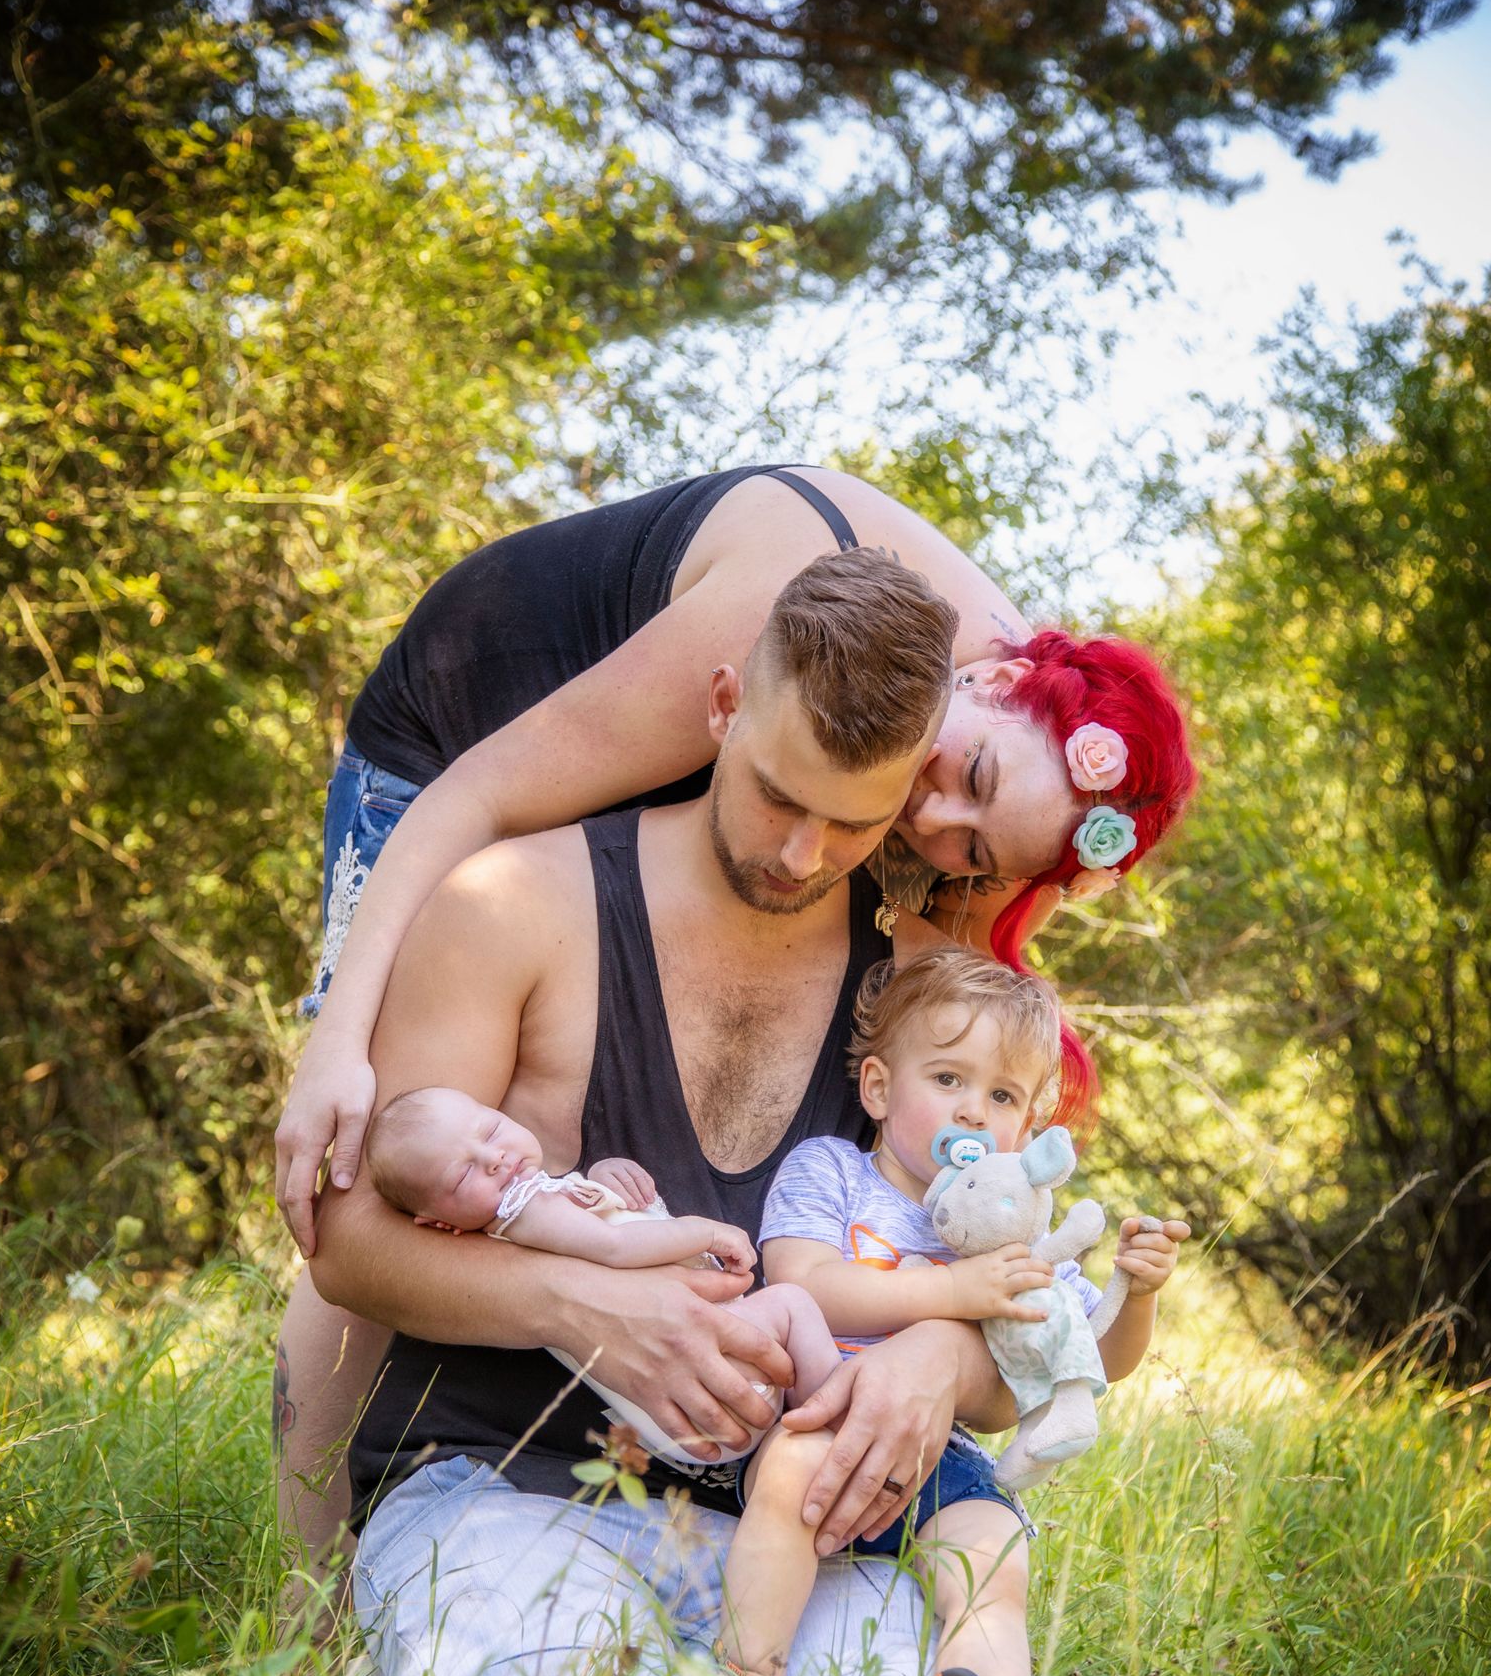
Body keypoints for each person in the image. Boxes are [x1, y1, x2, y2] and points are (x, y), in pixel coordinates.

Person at [273, 463, 1197, 1587]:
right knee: (410, 1155)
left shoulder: (960, 772)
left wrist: (942, 1347)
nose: (933, 814)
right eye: (967, 772)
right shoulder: (786, 619)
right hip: (456, 747)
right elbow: (475, 797)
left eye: (972, 848)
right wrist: (337, 1039)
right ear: (994, 674)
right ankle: (310, 1600)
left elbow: (945, 1099)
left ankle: (652, 1500)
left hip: (726, 780)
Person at [311, 549, 1041, 1676]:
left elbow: (1017, 1317)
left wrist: (939, 1355)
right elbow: (343, 1246)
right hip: (505, 1496)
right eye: (774, 794)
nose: (804, 852)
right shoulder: (513, 905)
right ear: (721, 709)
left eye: (854, 819)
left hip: (807, 1545)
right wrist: (579, 1305)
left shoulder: (925, 1000)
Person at [714, 949, 1189, 1676]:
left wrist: (1136, 1292)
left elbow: (1091, 1360)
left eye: (1001, 1096)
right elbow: (805, 1283)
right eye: (947, 1079)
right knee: (789, 1480)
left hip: (948, 1457)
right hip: (824, 1420)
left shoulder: (1021, 1238)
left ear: (1026, 1131)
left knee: (997, 1554)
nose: (973, 1112)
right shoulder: (833, 1172)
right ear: (878, 1089)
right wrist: (954, 1289)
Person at [363, 1081, 841, 1466]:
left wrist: (604, 1181)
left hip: (686, 1412)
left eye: (490, 1131)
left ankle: (800, 1452)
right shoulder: (523, 1210)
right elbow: (617, 1246)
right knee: (792, 1303)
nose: (494, 1158)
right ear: (440, 1224)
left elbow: (615, 1226)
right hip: (708, 1379)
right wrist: (706, 1233)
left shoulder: (533, 1211)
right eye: (463, 1175)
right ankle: (839, 1422)